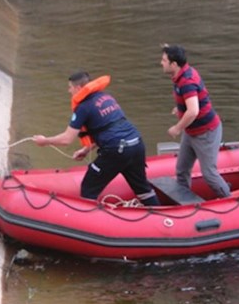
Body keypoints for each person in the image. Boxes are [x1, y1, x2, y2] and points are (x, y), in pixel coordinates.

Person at [33, 70, 161, 206]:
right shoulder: (106, 97)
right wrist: (87, 149)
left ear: (78, 88)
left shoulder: (83, 108)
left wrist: (45, 141)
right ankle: (160, 217)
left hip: (116, 150)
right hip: (136, 144)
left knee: (88, 189)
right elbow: (109, 127)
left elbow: (67, 139)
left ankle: (87, 224)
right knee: (142, 188)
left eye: (70, 87)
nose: (68, 91)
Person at [160, 44, 231, 198]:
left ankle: (229, 199)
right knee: (182, 169)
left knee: (209, 174)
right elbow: (193, 101)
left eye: (164, 60)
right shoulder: (181, 75)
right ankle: (184, 200)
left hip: (206, 132)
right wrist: (179, 108)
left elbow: (193, 111)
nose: (161, 63)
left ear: (174, 64)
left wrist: (177, 128)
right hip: (192, 131)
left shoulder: (186, 81)